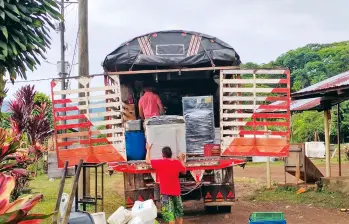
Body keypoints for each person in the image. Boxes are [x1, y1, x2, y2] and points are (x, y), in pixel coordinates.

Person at [145, 144, 186, 224]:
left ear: (163, 155)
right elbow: (184, 171)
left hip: (166, 194)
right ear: (171, 154)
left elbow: (147, 161)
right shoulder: (176, 163)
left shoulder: (160, 163)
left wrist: (148, 149)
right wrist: (181, 160)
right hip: (176, 193)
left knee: (170, 215)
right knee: (179, 214)